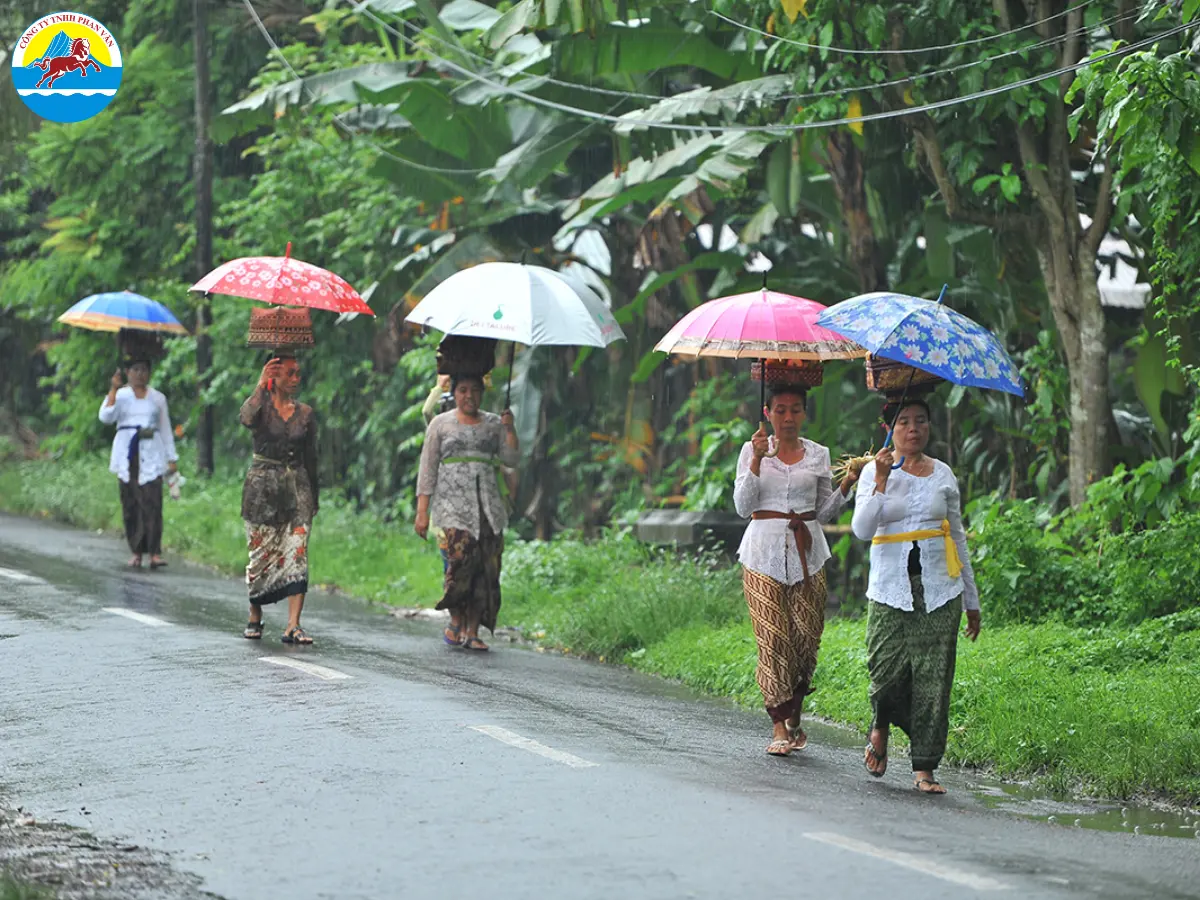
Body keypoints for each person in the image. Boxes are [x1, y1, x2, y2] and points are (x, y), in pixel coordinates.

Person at [851, 396, 981, 795]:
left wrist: (971, 600)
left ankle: (924, 766)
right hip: (889, 587)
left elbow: (956, 535)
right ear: (888, 429)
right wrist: (880, 481)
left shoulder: (943, 475)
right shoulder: (875, 472)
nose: (913, 429)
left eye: (920, 421)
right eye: (904, 422)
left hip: (941, 589)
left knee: (933, 680)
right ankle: (881, 722)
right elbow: (860, 528)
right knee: (885, 671)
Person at [733, 383, 859, 756]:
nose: (788, 417)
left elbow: (824, 513)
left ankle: (795, 717)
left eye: (795, 410)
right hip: (761, 554)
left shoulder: (819, 455)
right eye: (781, 410)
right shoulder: (751, 450)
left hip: (809, 553)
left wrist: (847, 485)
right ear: (768, 412)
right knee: (773, 637)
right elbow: (743, 507)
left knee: (805, 638)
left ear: (804, 414)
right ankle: (778, 727)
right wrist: (756, 459)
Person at [415, 373, 519, 651]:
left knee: (485, 568)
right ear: (455, 393)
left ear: (482, 393)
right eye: (463, 390)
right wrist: (422, 511)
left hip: (487, 507)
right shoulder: (440, 424)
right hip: (451, 506)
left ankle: (472, 631)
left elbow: (511, 459)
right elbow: (427, 467)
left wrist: (510, 429)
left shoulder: (494, 424)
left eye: (474, 390)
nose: (469, 395)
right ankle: (457, 619)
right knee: (458, 565)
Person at [239, 355, 319, 645]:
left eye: (298, 373)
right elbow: (246, 418)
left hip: (298, 490)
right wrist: (261, 385)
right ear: (275, 377)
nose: (296, 379)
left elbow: (311, 457)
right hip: (262, 490)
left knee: (298, 552)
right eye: (290, 374)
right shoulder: (260, 408)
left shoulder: (306, 413)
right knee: (260, 554)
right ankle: (254, 613)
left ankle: (293, 625)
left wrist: (315, 496)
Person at [98, 357, 178, 569]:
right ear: (127, 372)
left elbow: (165, 428)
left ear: (149, 372)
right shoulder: (121, 396)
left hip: (151, 452)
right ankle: (136, 551)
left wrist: (172, 458)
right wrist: (113, 389)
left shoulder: (158, 399)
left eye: (144, 369)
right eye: (135, 369)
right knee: (131, 503)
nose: (140, 374)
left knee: (152, 502)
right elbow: (106, 416)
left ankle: (153, 552)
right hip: (127, 453)